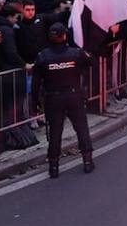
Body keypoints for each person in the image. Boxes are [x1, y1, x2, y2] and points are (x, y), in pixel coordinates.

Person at [31, 22, 94, 178]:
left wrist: (35, 102)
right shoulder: (76, 53)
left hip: (53, 98)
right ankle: (87, 161)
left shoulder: (43, 56)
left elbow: (35, 83)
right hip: (74, 96)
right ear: (65, 35)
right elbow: (90, 63)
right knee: (81, 129)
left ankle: (54, 167)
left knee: (55, 132)